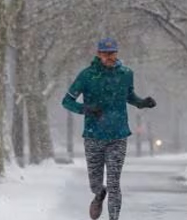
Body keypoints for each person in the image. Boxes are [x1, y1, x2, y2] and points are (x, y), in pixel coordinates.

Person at [62, 37, 157, 220]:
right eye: (105, 54)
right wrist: (85, 109)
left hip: (118, 135)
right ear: (98, 54)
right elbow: (66, 101)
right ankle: (98, 195)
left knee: (114, 182)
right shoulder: (86, 75)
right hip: (93, 135)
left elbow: (129, 95)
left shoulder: (126, 74)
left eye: (112, 53)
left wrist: (142, 103)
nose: (109, 57)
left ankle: (114, 217)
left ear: (117, 53)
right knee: (95, 183)